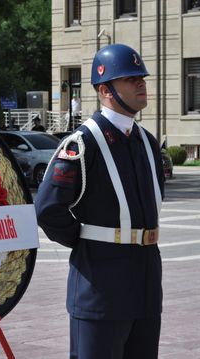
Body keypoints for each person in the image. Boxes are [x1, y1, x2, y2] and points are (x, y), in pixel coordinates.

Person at [34, 44, 165, 359]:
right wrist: (86, 243)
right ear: (106, 90)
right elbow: (48, 209)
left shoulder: (146, 141)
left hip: (145, 288)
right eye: (130, 79)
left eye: (141, 77)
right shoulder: (83, 143)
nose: (141, 83)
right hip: (101, 290)